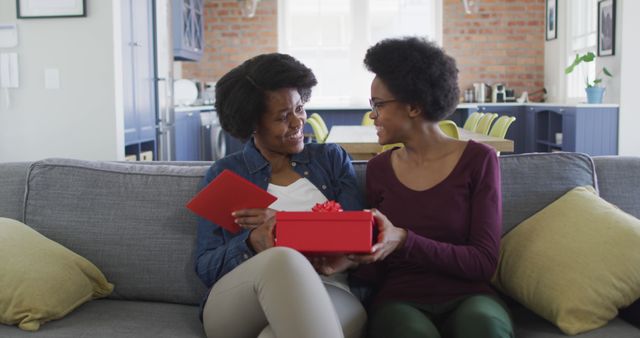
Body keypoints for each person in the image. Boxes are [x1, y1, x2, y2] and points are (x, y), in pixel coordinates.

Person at [343, 37, 514, 337]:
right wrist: (346, 259)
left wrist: (405, 239)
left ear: (413, 106)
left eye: (379, 105)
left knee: (484, 327)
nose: (372, 115)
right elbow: (376, 262)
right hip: (400, 299)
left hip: (471, 295)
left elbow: (484, 263)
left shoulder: (479, 160)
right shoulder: (379, 169)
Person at [194, 53, 366, 338]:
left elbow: (360, 238)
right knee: (282, 259)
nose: (298, 122)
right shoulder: (226, 174)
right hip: (239, 302)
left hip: (330, 289)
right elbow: (206, 267)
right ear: (253, 124)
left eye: (300, 108)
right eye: (283, 117)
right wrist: (251, 242)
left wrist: (285, 225)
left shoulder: (330, 159)